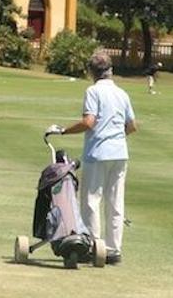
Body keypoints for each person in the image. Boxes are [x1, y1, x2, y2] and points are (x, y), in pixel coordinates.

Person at [46, 51, 137, 265]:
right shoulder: (122, 93)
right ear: (110, 70)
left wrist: (63, 131)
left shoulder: (93, 91)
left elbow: (88, 122)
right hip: (120, 154)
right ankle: (113, 250)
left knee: (91, 201)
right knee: (115, 203)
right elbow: (132, 126)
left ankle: (95, 247)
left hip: (98, 153)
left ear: (92, 72)